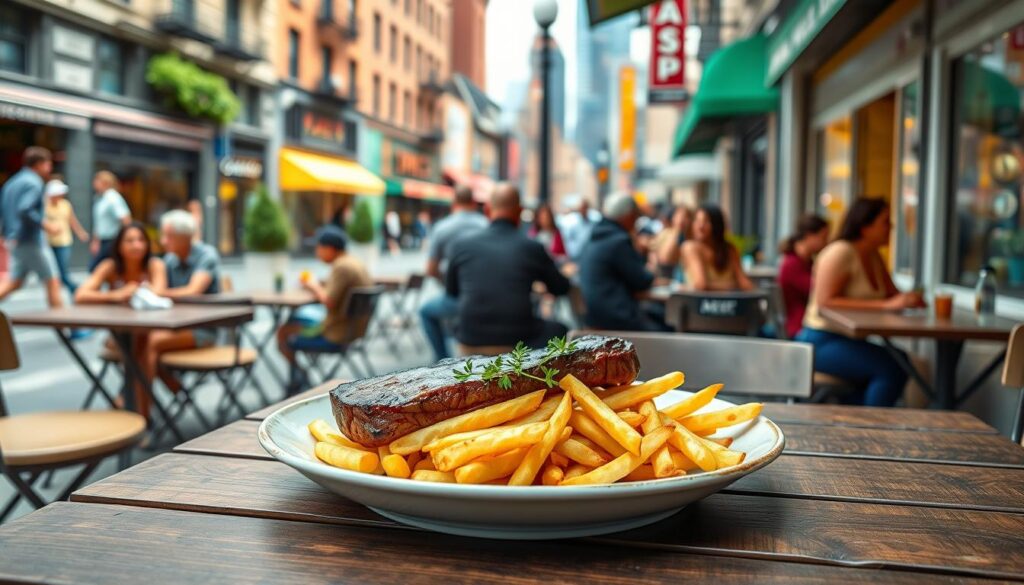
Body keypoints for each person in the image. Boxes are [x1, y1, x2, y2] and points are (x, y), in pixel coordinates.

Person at [797, 198, 925, 407]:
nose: (891, 227)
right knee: (891, 367)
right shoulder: (840, 252)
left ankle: (850, 417)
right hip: (819, 340)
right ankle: (869, 430)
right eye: (885, 222)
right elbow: (824, 302)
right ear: (865, 226)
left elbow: (892, 295)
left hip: (849, 340)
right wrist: (888, 306)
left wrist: (910, 299)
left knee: (899, 361)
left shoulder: (874, 256)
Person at [446, 183, 570, 349]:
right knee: (561, 329)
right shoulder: (532, 247)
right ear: (519, 212)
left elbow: (451, 292)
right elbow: (560, 288)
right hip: (518, 338)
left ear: (488, 210)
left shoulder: (461, 245)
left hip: (470, 336)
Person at [76, 222, 168, 415]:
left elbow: (160, 292)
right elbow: (81, 295)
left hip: (150, 333)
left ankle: (134, 409)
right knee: (142, 352)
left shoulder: (154, 265)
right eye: (130, 240)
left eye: (141, 240)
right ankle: (140, 411)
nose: (136, 245)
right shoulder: (110, 266)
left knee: (144, 348)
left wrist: (138, 290)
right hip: (121, 335)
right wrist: (116, 295)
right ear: (119, 245)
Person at [138, 210, 222, 401]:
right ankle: (171, 391)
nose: (163, 240)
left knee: (150, 343)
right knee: (138, 344)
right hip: (174, 326)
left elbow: (193, 291)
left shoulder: (207, 255)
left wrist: (157, 292)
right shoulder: (169, 260)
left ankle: (143, 411)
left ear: (186, 237)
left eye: (169, 236)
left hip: (204, 330)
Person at [276, 225, 372, 392]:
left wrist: (313, 285)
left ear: (330, 248)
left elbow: (329, 301)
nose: (317, 252)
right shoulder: (353, 262)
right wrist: (317, 283)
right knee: (294, 321)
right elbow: (334, 287)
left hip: (337, 335)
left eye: (318, 247)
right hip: (354, 330)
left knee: (283, 332)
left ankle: (299, 379)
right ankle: (299, 379)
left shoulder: (342, 267)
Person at [579, 193, 670, 331]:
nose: (636, 221)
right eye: (635, 216)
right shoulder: (618, 240)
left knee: (658, 315)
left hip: (594, 316)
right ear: (627, 215)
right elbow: (641, 281)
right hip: (617, 318)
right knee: (666, 328)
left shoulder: (596, 235)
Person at [419, 185, 488, 361]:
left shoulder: (443, 228)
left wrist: (448, 283)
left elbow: (430, 270)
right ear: (473, 203)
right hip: (489, 296)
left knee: (426, 312)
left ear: (453, 203)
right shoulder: (486, 224)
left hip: (458, 298)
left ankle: (443, 360)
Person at [0, 147, 63, 308]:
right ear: (40, 164)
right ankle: (70, 329)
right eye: (48, 164)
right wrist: (46, 225)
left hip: (14, 239)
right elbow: (25, 209)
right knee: (53, 281)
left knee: (15, 282)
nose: (50, 168)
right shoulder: (34, 182)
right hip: (31, 240)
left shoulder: (12, 182)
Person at [777, 214, 830, 338]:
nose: (826, 242)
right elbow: (818, 291)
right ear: (809, 236)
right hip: (800, 327)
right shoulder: (792, 264)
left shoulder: (807, 262)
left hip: (808, 323)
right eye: (823, 237)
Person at [681, 205, 754, 291]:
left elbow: (745, 284)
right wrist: (733, 285)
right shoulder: (690, 247)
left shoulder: (729, 249)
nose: (700, 226)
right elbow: (700, 284)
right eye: (697, 221)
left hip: (730, 303)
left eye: (706, 221)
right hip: (701, 303)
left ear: (716, 225)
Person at [44, 178, 89, 294]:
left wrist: (81, 233)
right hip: (48, 243)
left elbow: (72, 221)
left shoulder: (65, 204)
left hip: (64, 241)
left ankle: (76, 291)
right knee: (51, 273)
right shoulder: (44, 205)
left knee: (62, 272)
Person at [89, 170, 131, 271]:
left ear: (105, 182)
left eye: (96, 180)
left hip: (112, 240)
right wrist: (95, 241)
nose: (94, 183)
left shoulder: (113, 197)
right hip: (103, 240)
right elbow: (99, 223)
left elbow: (125, 219)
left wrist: (125, 240)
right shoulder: (99, 198)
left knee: (95, 268)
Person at [651, 206, 692, 279]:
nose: (682, 220)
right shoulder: (664, 234)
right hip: (664, 276)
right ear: (673, 218)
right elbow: (665, 259)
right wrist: (677, 231)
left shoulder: (691, 238)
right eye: (679, 216)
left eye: (686, 217)